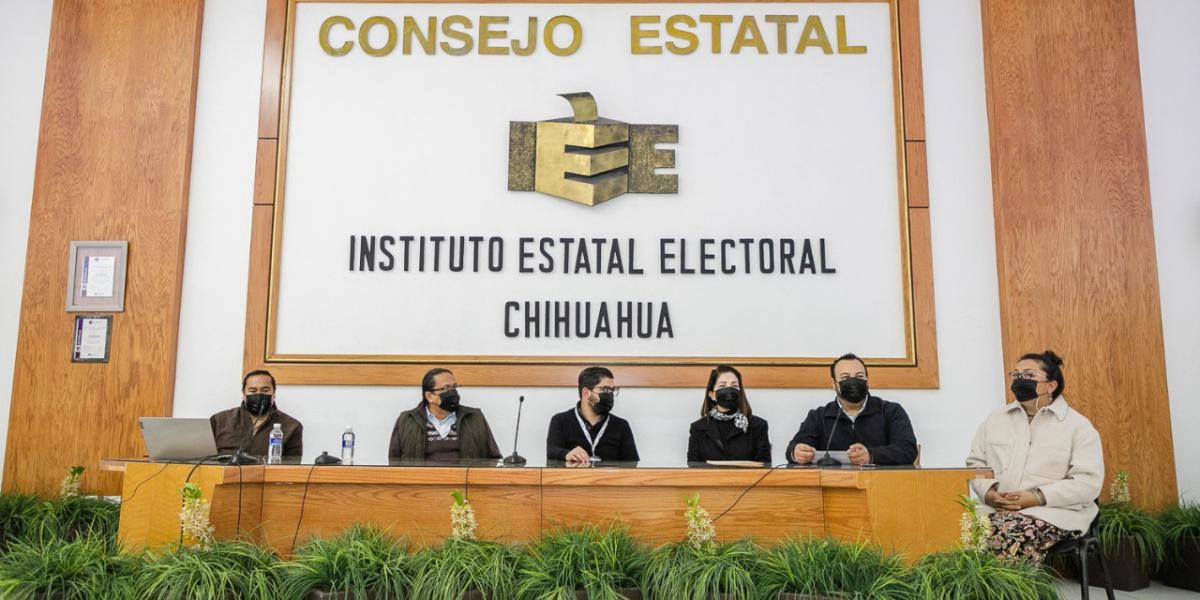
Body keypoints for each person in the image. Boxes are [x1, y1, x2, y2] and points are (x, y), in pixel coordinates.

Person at [966, 350, 1103, 564]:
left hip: (1053, 512)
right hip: (996, 508)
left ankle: (1011, 585)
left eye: (1029, 375)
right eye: (1016, 374)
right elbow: (976, 465)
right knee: (952, 531)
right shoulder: (995, 420)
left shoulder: (1078, 427)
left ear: (1051, 386)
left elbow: (1087, 483)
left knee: (1010, 534)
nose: (1020, 380)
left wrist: (1036, 497)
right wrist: (990, 493)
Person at [787, 353, 918, 466]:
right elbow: (794, 449)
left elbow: (908, 450)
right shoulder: (819, 416)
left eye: (859, 376)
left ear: (867, 380)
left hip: (881, 483)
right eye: (845, 377)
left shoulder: (891, 411)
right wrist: (797, 452)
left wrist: (872, 456)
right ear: (834, 384)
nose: (853, 382)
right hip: (833, 484)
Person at [388, 368, 502, 461]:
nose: (452, 392)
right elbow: (394, 462)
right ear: (429, 396)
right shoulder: (406, 420)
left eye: (454, 387)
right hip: (422, 481)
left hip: (464, 482)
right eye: (446, 388)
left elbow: (493, 459)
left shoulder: (474, 417)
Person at [547, 366, 639, 463]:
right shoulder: (560, 420)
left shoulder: (621, 425)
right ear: (586, 393)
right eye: (605, 389)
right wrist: (566, 454)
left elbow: (633, 463)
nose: (610, 394)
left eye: (612, 390)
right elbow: (551, 452)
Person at [210, 369, 303, 458]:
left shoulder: (292, 426)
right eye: (252, 391)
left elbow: (292, 464)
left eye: (265, 390)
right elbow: (204, 459)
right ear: (243, 393)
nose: (259, 394)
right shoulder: (219, 421)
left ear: (274, 393)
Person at [686, 365, 771, 463]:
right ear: (712, 394)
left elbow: (765, 466)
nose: (729, 391)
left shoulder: (758, 426)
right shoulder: (698, 428)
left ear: (740, 392)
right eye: (722, 386)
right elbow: (693, 466)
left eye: (734, 386)